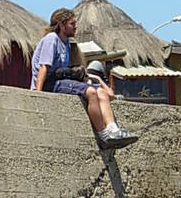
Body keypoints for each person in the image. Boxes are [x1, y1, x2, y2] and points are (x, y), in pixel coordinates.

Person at [31, 8, 138, 149]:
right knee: (91, 93)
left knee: (100, 92)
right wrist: (38, 93)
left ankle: (113, 129)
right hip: (50, 83)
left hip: (61, 81)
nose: (75, 26)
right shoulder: (52, 39)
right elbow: (44, 67)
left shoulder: (66, 43)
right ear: (61, 25)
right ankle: (103, 135)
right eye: (72, 24)